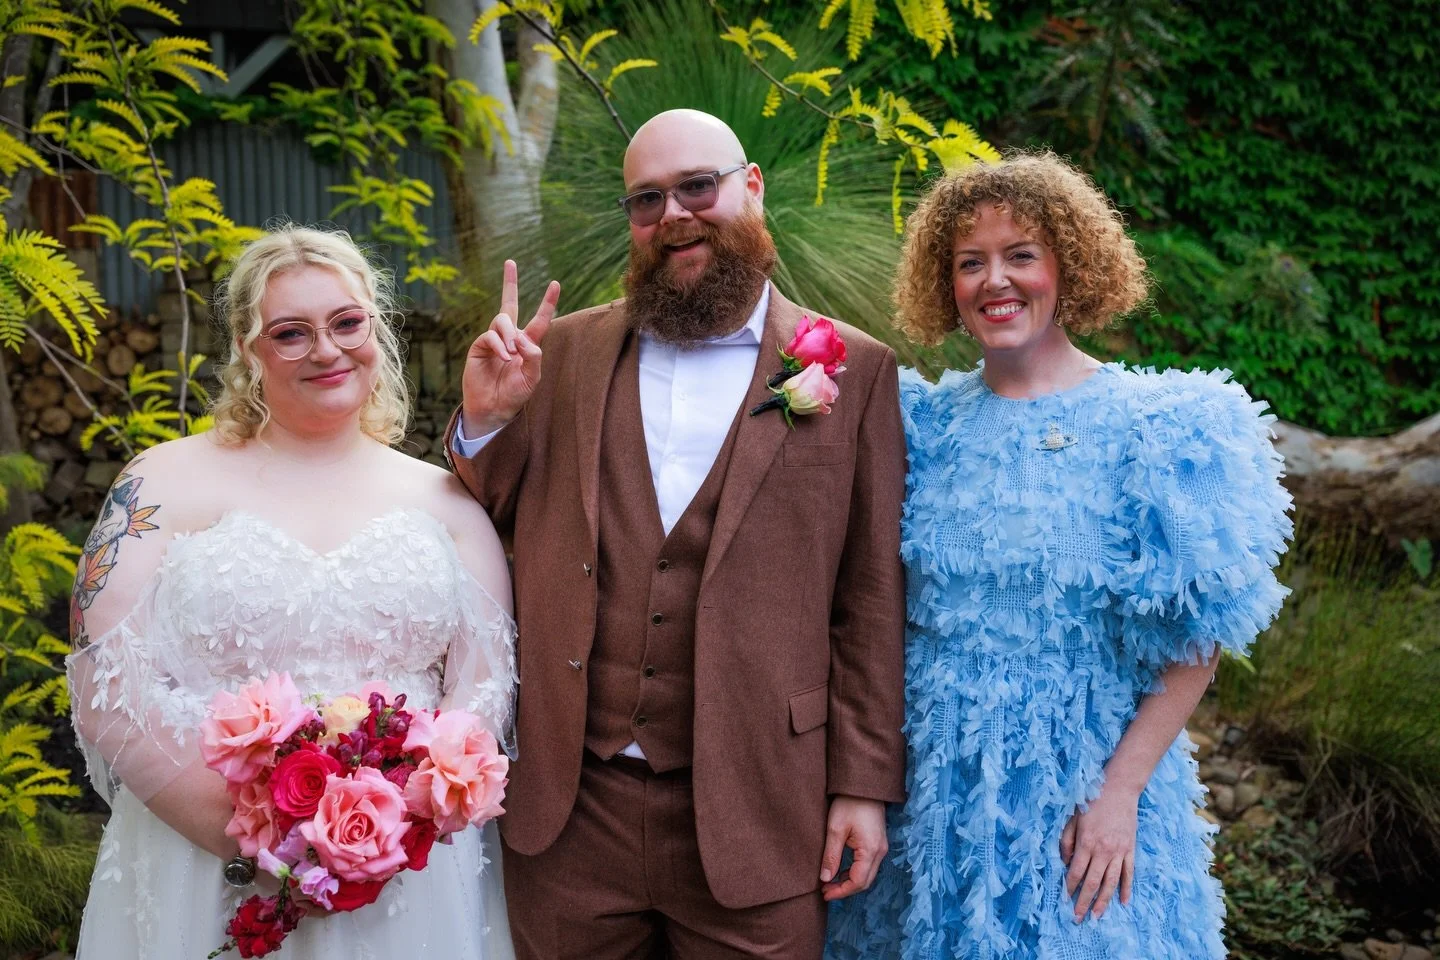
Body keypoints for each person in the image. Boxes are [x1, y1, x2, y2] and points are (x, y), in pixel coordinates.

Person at [445, 108, 907, 958]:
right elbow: (486, 513)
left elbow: (870, 596)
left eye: (699, 186)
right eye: (647, 200)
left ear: (753, 187)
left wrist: (862, 786)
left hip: (762, 802)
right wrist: (483, 420)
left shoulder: (853, 367)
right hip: (570, 809)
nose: (674, 216)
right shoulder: (564, 354)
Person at [825, 151, 1293, 960]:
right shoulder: (917, 427)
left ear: (1068, 265)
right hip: (932, 791)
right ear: (947, 285)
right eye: (970, 263)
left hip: (1084, 787)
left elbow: (1194, 643)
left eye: (1021, 256)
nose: (994, 281)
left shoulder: (1161, 428)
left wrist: (1119, 795)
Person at [65, 226, 518, 959]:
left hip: (404, 879)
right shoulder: (160, 482)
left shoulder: (446, 501)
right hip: (208, 867)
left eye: (346, 323)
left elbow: (484, 691)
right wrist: (253, 838)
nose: (328, 350)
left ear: (377, 328)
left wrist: (386, 826)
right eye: (290, 333)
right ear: (248, 349)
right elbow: (105, 680)